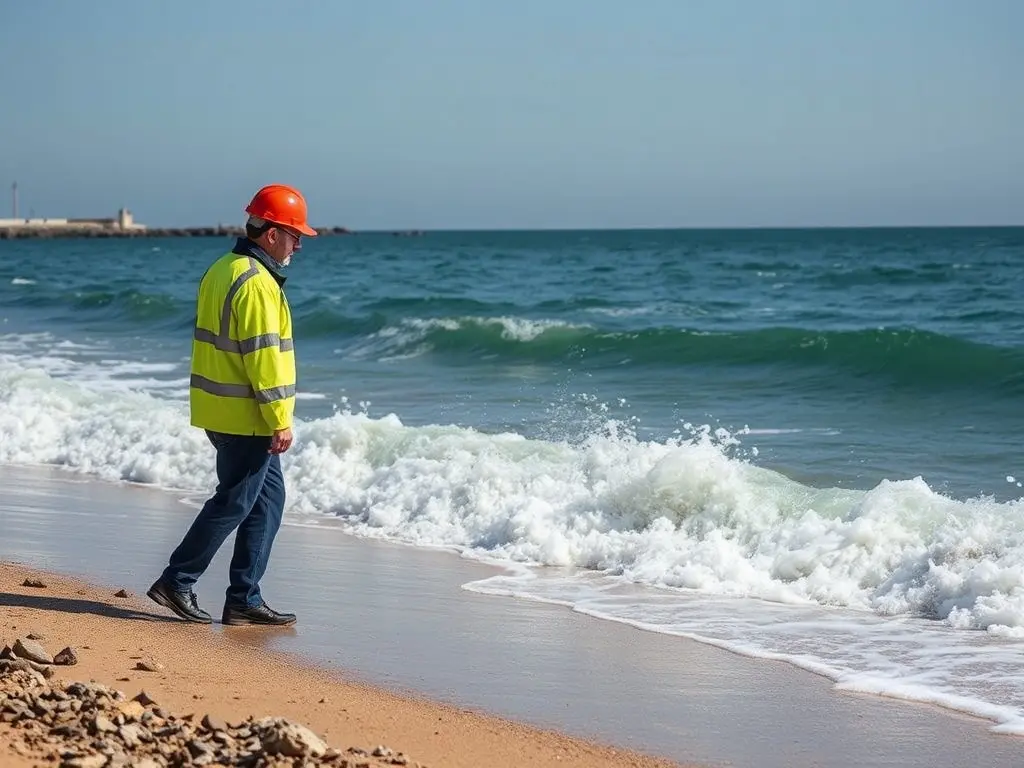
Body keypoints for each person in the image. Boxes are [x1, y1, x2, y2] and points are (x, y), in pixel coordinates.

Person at [147, 184, 317, 626]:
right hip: (247, 415)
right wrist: (280, 419)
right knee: (236, 502)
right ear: (271, 233)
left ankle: (244, 598)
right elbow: (264, 359)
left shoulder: (222, 268)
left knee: (266, 501)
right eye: (295, 234)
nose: (298, 244)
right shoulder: (258, 283)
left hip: (219, 409)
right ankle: (177, 580)